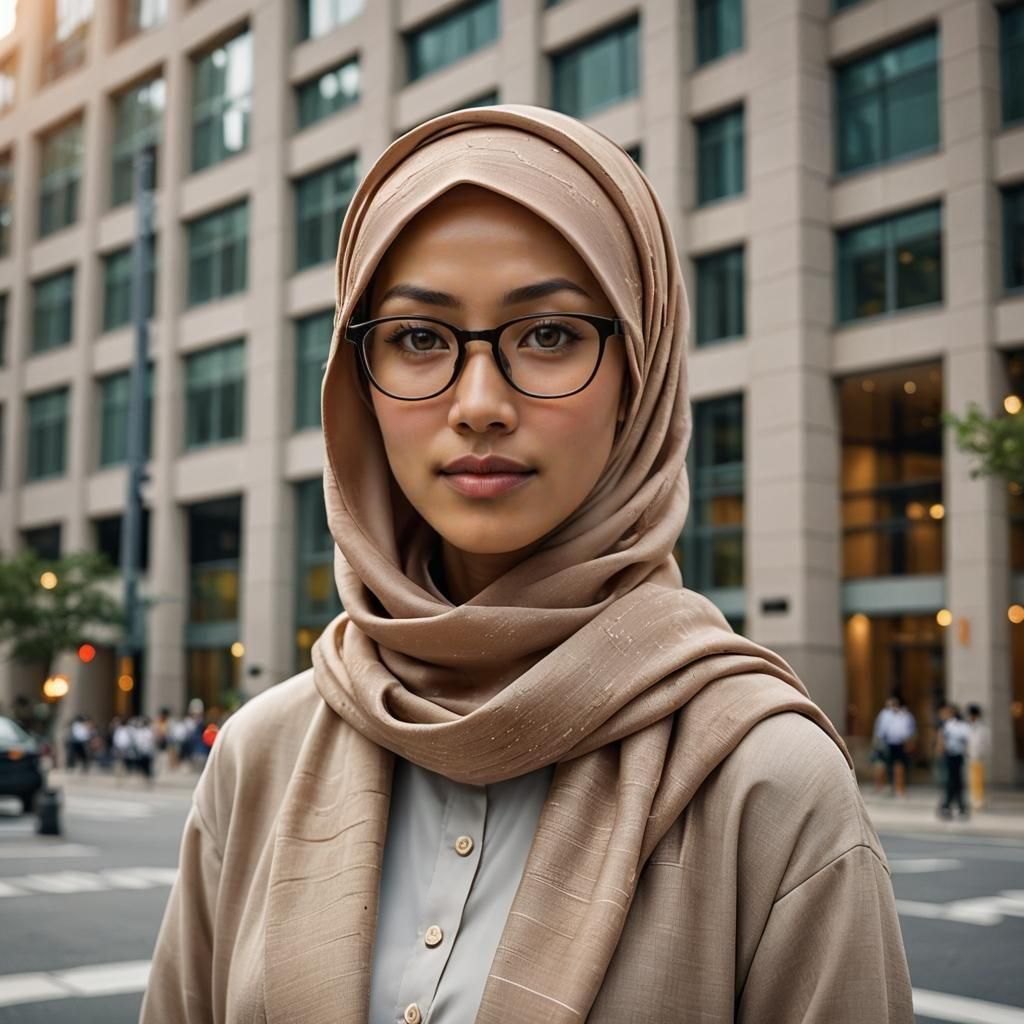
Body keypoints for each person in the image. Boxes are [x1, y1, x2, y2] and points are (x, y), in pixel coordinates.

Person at [141, 104, 913, 1023]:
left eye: (548, 334)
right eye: (419, 339)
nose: (478, 403)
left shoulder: (766, 784)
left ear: (641, 373)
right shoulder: (262, 753)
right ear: (359, 382)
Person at [874, 695, 916, 797]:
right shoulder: (884, 714)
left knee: (899, 765)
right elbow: (880, 730)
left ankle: (899, 788)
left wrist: (909, 742)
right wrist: (878, 742)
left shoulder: (905, 715)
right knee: (882, 764)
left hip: (900, 743)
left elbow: (910, 730)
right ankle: (880, 787)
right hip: (886, 742)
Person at [937, 703, 971, 819]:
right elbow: (941, 740)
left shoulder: (961, 725)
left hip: (958, 755)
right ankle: (950, 806)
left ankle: (952, 806)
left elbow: (966, 740)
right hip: (949, 755)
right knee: (951, 781)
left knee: (956, 782)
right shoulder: (946, 725)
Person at [966, 703, 991, 810]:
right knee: (973, 779)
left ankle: (979, 800)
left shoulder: (983, 728)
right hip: (972, 757)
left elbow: (986, 744)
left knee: (978, 780)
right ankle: (975, 799)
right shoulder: (971, 727)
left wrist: (981, 754)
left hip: (979, 757)